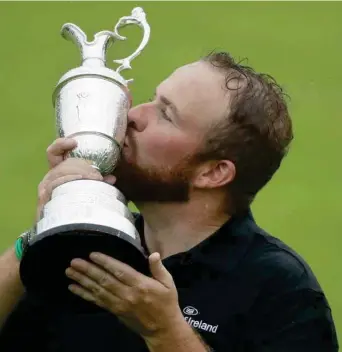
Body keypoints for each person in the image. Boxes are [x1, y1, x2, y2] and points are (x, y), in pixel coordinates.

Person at [0, 51, 338, 351]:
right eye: (151, 98)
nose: (133, 115)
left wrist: (165, 332)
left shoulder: (281, 292)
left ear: (213, 173)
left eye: (166, 114)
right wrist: (40, 234)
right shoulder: (82, 244)